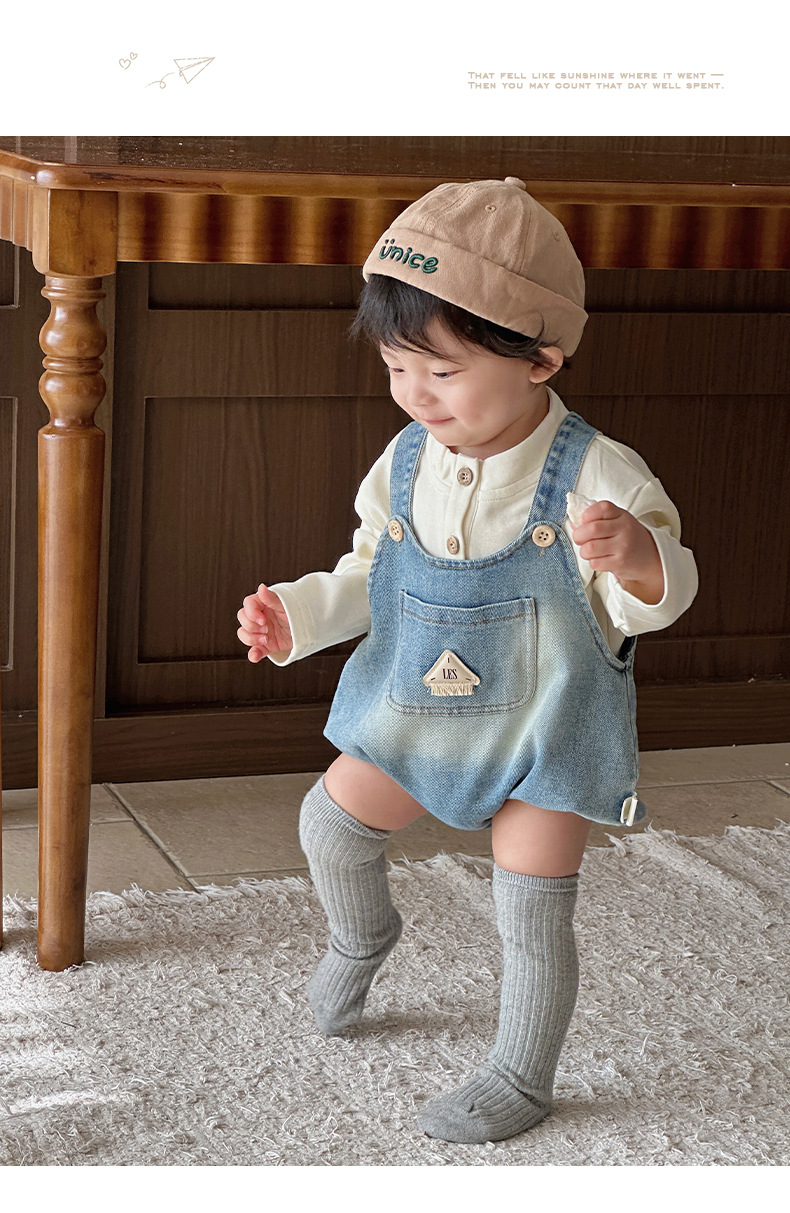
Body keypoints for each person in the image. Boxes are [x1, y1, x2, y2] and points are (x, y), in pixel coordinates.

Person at [236, 177, 698, 1144]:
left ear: (540, 359)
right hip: (420, 715)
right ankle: (363, 933)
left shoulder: (598, 474)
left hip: (544, 733)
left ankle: (521, 1074)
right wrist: (296, 616)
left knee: (529, 911)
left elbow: (655, 603)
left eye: (441, 371)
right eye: (397, 366)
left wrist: (640, 558)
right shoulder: (406, 459)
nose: (415, 393)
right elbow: (370, 571)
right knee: (331, 825)